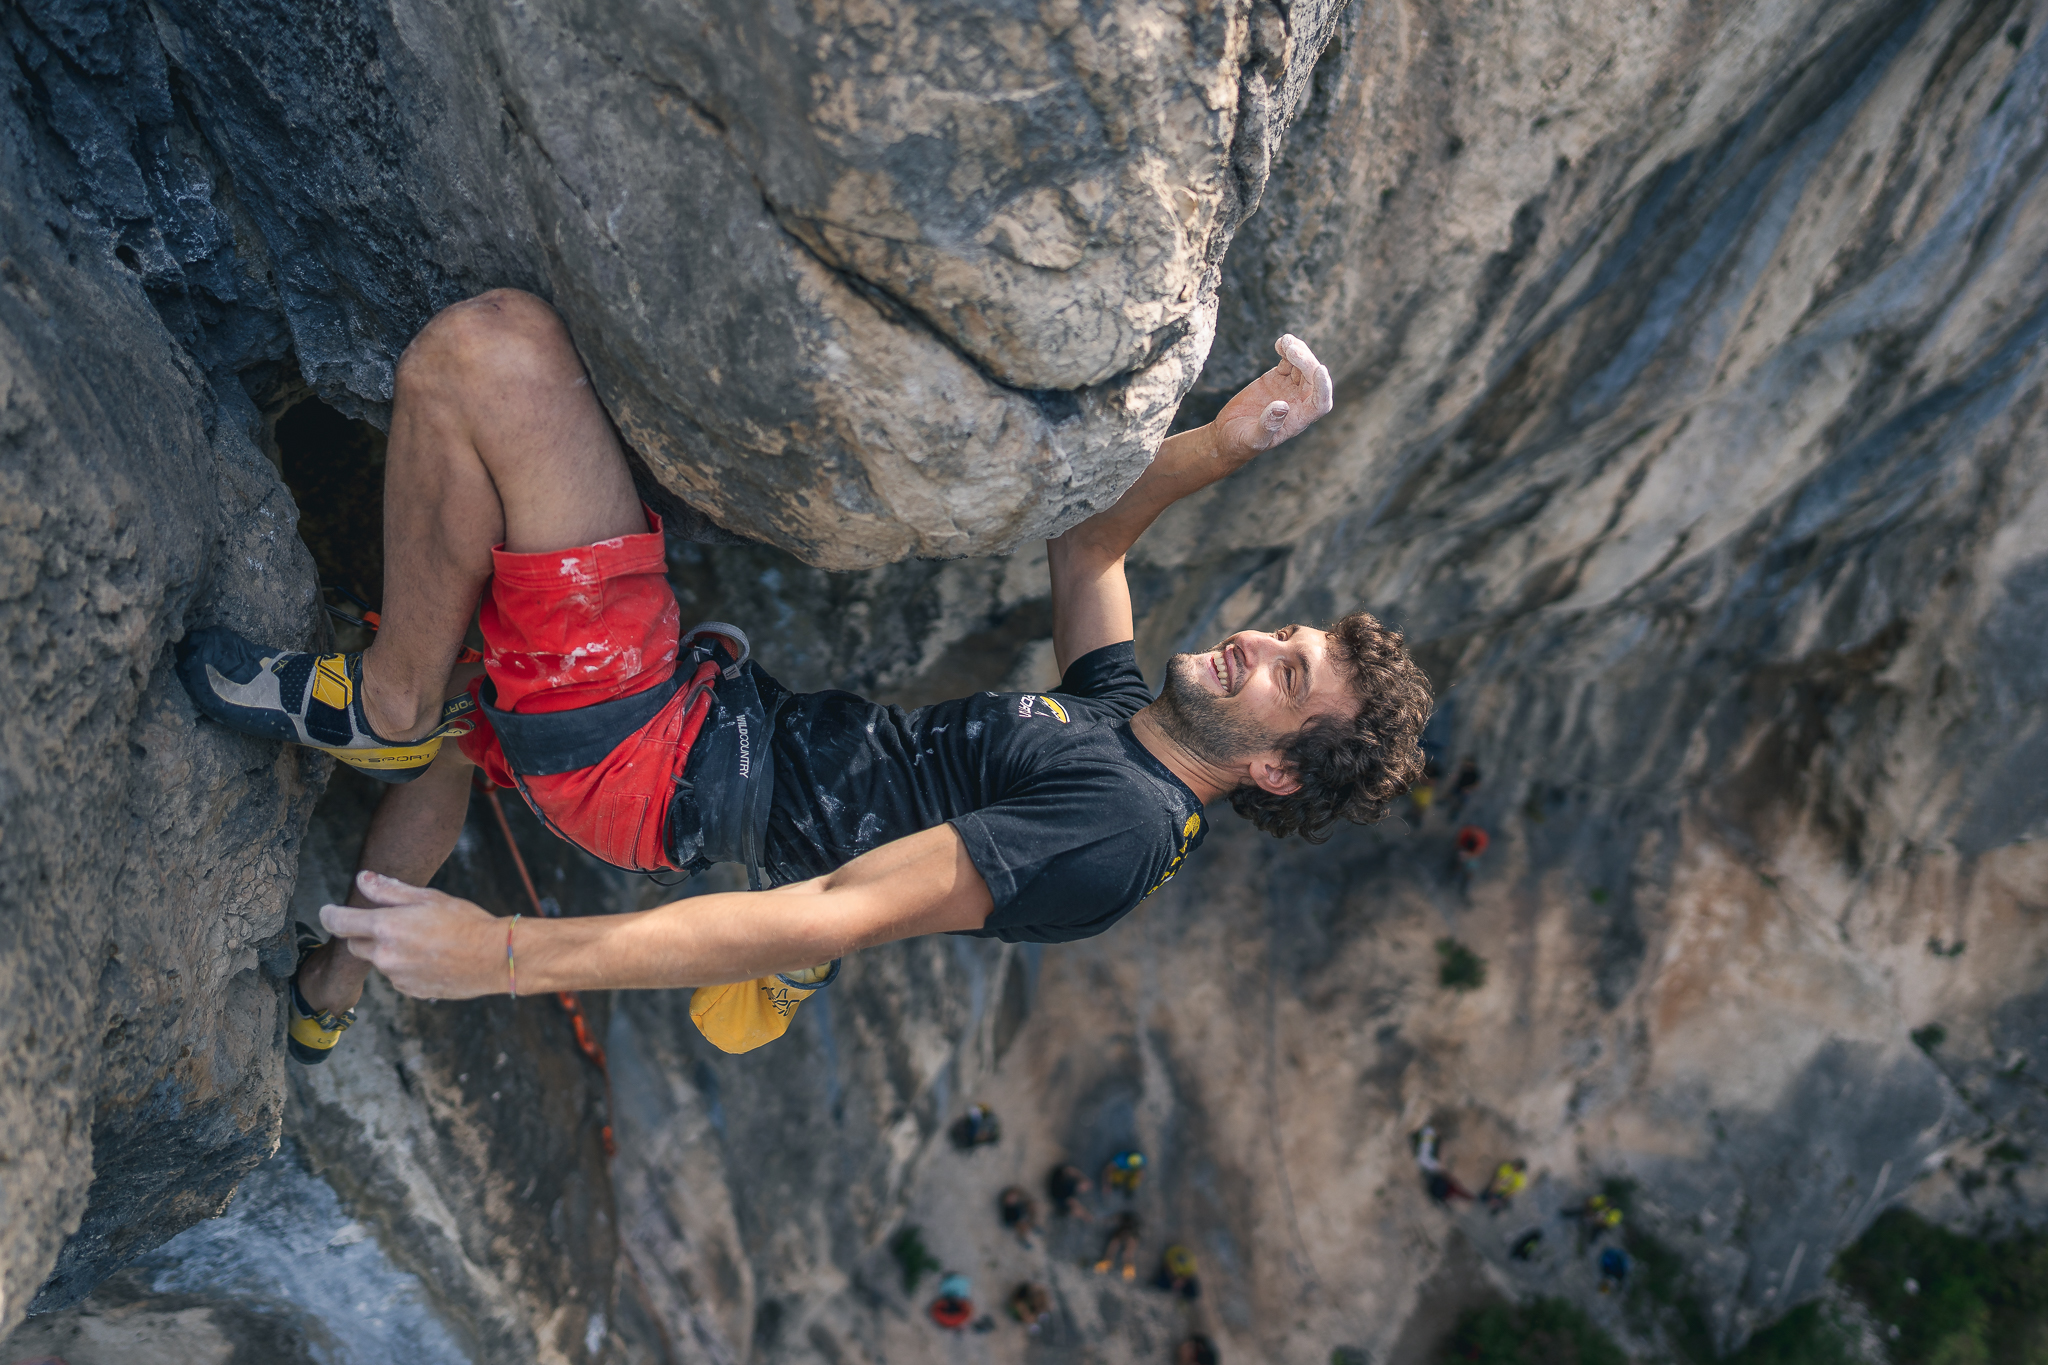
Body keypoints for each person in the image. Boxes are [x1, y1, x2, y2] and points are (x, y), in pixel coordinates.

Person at [176, 290, 1432, 1063]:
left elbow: (828, 914)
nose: (1259, 643)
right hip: (696, 730)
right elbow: (1090, 543)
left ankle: (381, 704)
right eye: (1289, 634)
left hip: (652, 760)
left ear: (1275, 770)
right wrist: (1226, 442)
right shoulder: (1129, 731)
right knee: (466, 709)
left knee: (491, 356)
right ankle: (336, 978)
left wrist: (499, 952)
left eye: (1288, 677)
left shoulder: (1115, 827)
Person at [1092, 1210, 1142, 1280]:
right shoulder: (1121, 1232)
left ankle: (1127, 1269)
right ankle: (1107, 1263)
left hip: (1131, 1232)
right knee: (1116, 1245)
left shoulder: (1130, 1231)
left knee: (1127, 1252)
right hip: (1128, 1231)